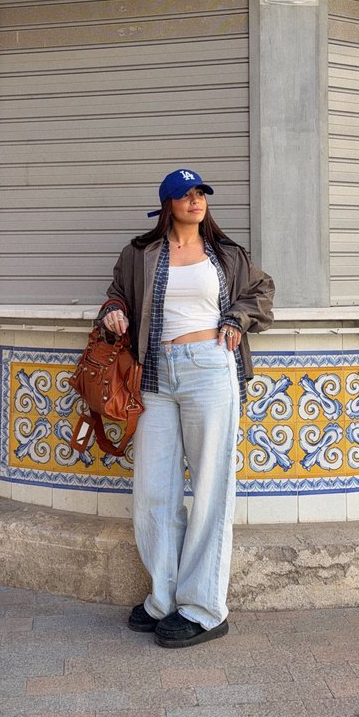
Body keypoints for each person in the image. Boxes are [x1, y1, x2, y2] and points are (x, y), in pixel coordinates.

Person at [100, 167, 275, 648]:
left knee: (210, 488)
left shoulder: (226, 253)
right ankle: (163, 599)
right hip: (154, 374)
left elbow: (262, 293)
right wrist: (113, 311)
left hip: (209, 368)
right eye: (185, 195)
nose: (195, 201)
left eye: (200, 193)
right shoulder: (139, 253)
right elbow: (116, 295)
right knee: (154, 491)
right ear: (168, 205)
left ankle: (204, 608)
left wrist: (236, 318)